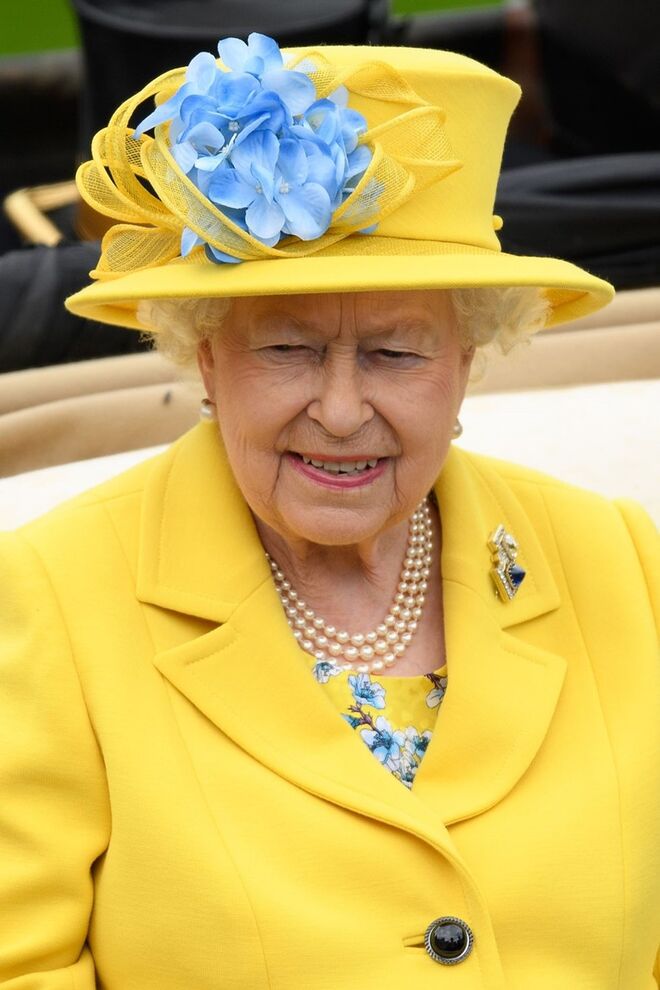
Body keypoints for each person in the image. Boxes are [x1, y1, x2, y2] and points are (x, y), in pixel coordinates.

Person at [1, 35, 658, 989]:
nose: (343, 411)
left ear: (469, 360)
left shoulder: (620, 562)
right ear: (205, 358)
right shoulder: (48, 602)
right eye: (288, 351)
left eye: (397, 354)